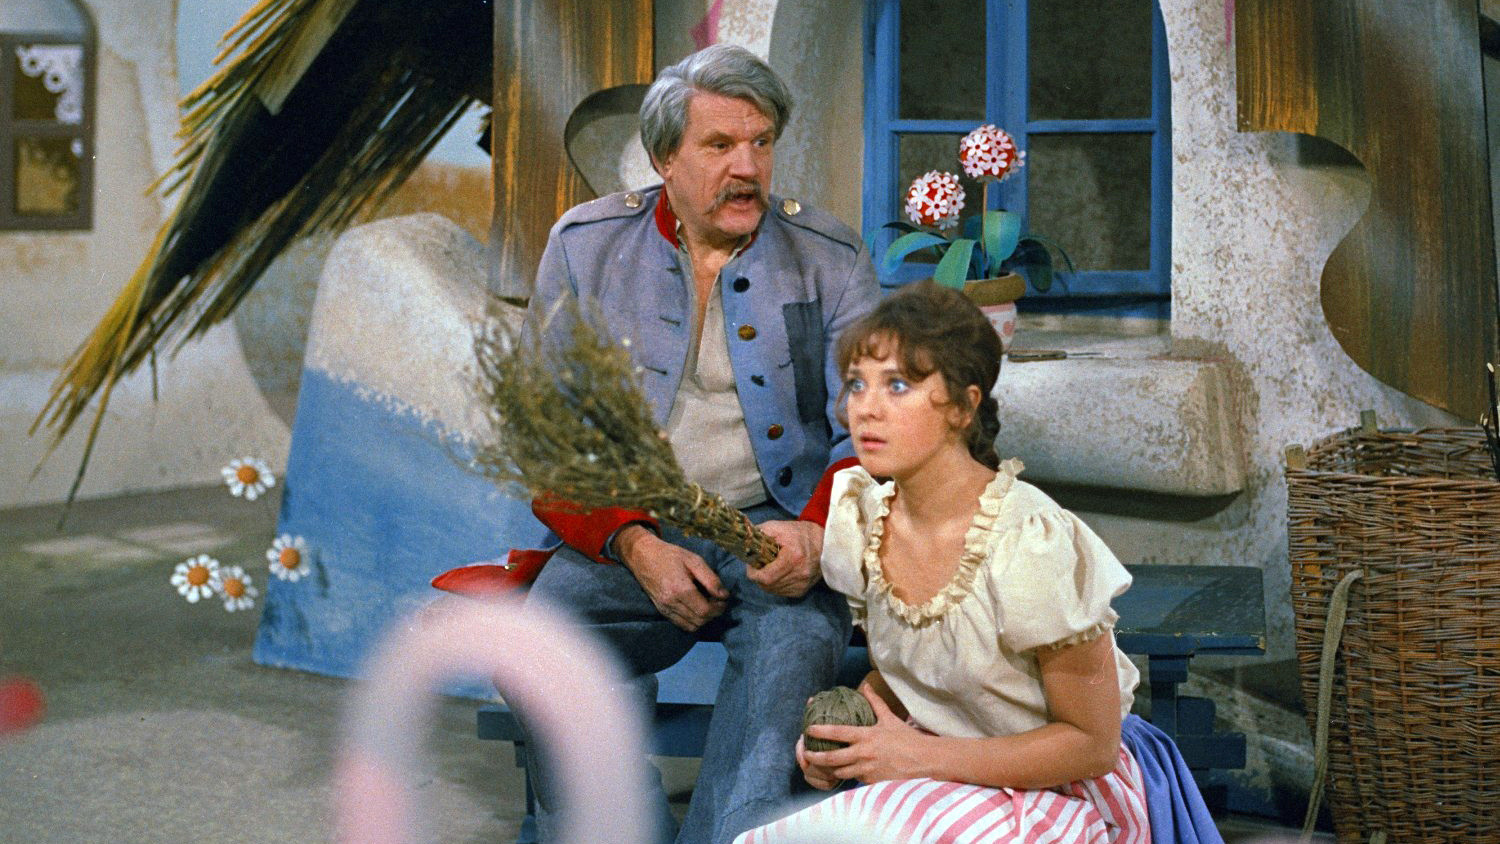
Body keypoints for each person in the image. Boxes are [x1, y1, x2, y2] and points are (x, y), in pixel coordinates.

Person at [516, 44, 881, 844]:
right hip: (629, 527)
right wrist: (633, 541)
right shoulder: (585, 245)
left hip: (777, 529)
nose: (747, 167)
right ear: (663, 158)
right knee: (541, 649)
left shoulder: (832, 256)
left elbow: (869, 430)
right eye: (720, 145)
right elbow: (546, 433)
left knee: (791, 664)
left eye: (761, 142)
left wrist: (817, 532)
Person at [734, 282, 1153, 843]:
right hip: (942, 778)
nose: (866, 408)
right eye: (857, 384)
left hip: (1058, 793)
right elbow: (920, 672)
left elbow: (1091, 745)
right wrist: (855, 736)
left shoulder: (1028, 539)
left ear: (962, 406)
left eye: (898, 385)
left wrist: (915, 756)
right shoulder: (865, 523)